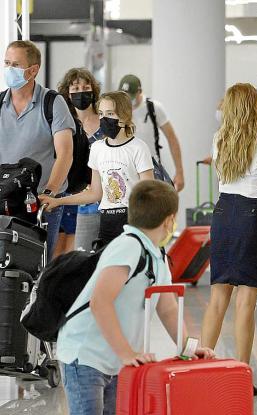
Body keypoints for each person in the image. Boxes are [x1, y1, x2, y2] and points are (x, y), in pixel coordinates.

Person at [46, 180, 215, 415]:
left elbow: (167, 308)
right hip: (85, 353)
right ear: (170, 220)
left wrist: (189, 349)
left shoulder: (155, 255)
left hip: (111, 358)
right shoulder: (127, 246)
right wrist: (126, 352)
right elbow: (100, 302)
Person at [200, 83, 257, 397]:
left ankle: (200, 369)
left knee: (217, 299)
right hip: (254, 217)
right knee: (245, 303)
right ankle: (241, 375)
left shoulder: (219, 140)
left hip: (224, 214)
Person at [40, 91, 155, 246]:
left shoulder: (138, 148)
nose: (104, 119)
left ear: (125, 115)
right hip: (107, 223)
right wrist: (58, 201)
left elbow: (148, 193)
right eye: (101, 114)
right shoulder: (97, 148)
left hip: (133, 222)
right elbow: (95, 193)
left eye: (110, 113)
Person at [0, 40, 75, 258]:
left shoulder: (52, 103)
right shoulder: (0, 103)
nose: (9, 69)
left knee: (36, 263)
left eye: (15, 64)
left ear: (33, 70)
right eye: (6, 63)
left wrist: (50, 191)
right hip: (5, 198)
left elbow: (65, 154)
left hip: (40, 200)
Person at [56, 67, 105, 255]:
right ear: (67, 94)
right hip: (67, 192)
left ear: (93, 90)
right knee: (58, 254)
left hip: (96, 198)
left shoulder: (105, 121)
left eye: (86, 88)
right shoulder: (63, 123)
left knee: (82, 252)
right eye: (75, 89)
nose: (81, 93)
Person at [118, 74, 185, 191]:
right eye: (124, 96)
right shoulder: (117, 108)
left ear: (139, 92)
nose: (128, 100)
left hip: (151, 166)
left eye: (131, 97)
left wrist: (179, 172)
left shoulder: (154, 108)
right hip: (125, 167)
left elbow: (172, 138)